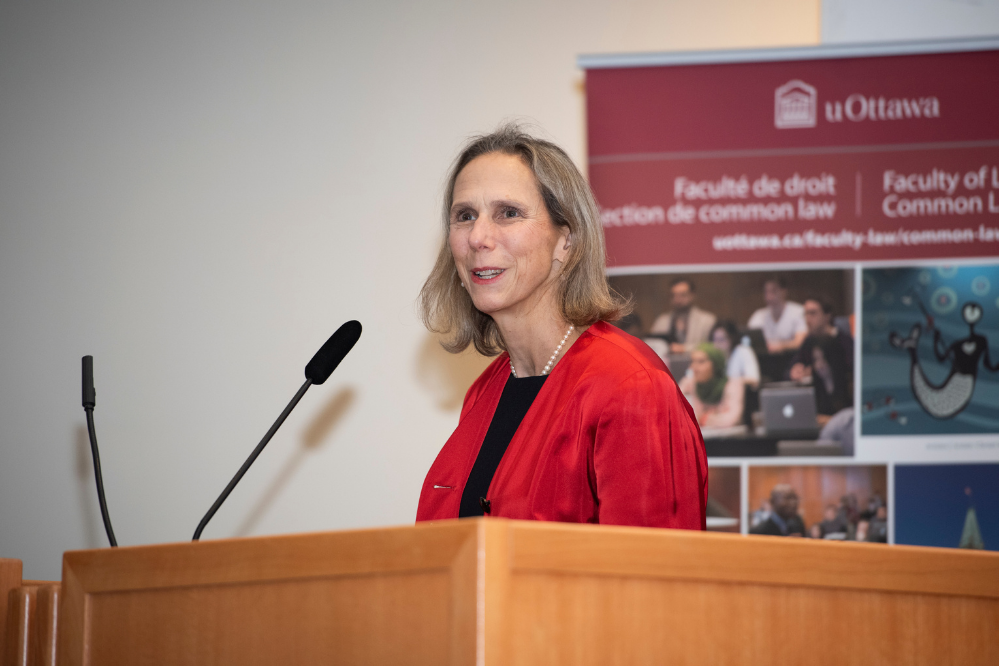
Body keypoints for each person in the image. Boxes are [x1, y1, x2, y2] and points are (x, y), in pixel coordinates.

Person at [415, 125, 707, 528]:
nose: (478, 237)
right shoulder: (484, 393)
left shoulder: (630, 387)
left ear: (565, 240)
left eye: (508, 213)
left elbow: (653, 565)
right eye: (465, 216)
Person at [678, 343, 744, 429]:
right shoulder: (690, 383)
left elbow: (732, 419)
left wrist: (704, 419)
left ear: (716, 365)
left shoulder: (731, 384)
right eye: (692, 361)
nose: (694, 367)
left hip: (728, 436)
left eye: (701, 362)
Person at [788, 298, 854, 383]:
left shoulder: (843, 340)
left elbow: (851, 369)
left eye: (813, 313)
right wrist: (795, 370)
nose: (808, 318)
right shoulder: (809, 341)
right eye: (806, 313)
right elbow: (791, 368)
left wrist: (814, 371)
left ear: (827, 316)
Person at [650, 278, 717, 353]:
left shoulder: (707, 320)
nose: (678, 299)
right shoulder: (662, 321)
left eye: (683, 295)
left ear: (692, 295)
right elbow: (652, 344)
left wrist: (685, 348)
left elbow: (714, 346)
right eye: (673, 295)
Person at [747, 277, 807, 353]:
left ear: (784, 291)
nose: (769, 297)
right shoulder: (758, 315)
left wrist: (780, 346)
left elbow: (800, 342)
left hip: (791, 357)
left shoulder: (798, 311)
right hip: (764, 358)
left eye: (773, 291)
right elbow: (748, 341)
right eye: (766, 292)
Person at [709, 320, 760, 389]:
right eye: (714, 340)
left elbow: (753, 380)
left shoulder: (743, 351)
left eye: (721, 340)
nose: (717, 345)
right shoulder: (711, 356)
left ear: (731, 339)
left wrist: (726, 382)